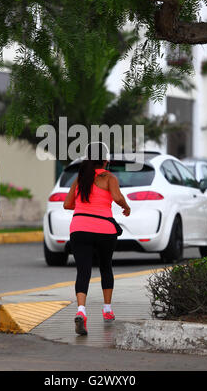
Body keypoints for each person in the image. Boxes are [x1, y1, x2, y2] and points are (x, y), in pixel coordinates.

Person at [64, 142, 130, 335]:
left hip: (79, 228)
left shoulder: (79, 179)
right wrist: (126, 207)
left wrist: (84, 204)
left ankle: (81, 311)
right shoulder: (109, 177)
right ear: (106, 160)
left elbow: (68, 205)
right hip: (104, 229)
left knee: (83, 271)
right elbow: (117, 197)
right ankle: (107, 310)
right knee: (105, 267)